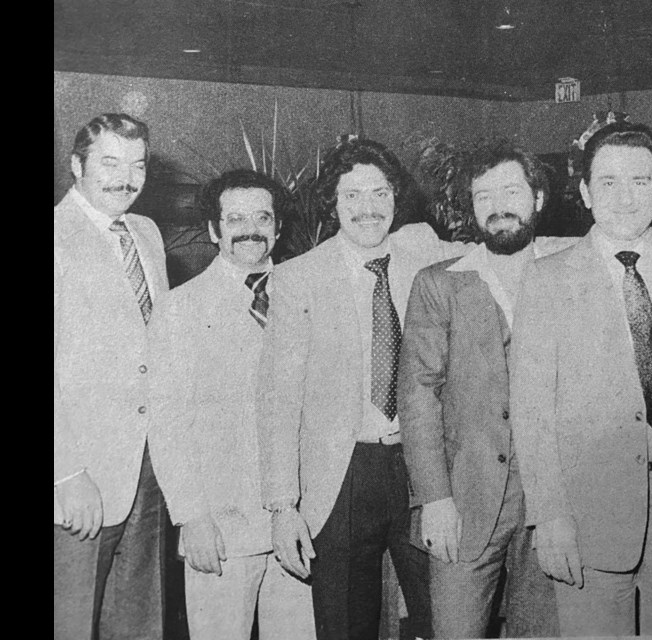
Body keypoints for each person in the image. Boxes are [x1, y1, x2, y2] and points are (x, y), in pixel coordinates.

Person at [257, 138, 474, 640]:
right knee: (345, 623)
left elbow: (504, 252)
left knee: (442, 614)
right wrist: (282, 507)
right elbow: (277, 400)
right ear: (332, 204)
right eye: (351, 196)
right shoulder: (297, 279)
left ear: (396, 198)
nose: (367, 208)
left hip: (425, 466)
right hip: (343, 473)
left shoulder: (425, 252)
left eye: (379, 193)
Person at [508, 121, 652, 636]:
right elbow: (533, 412)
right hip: (587, 513)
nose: (626, 198)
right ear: (584, 192)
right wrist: (549, 516)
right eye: (609, 183)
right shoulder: (546, 278)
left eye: (641, 182)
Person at [398, 142, 573, 638]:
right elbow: (417, 396)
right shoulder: (440, 283)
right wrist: (433, 498)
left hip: (552, 499)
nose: (498, 207)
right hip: (464, 497)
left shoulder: (570, 269)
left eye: (511, 191)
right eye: (483, 196)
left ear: (538, 198)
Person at [149, 169, 316, 640]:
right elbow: (168, 423)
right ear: (213, 229)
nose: (250, 229)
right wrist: (190, 517)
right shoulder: (180, 309)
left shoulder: (305, 294)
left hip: (297, 527)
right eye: (235, 217)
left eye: (262, 217)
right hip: (221, 530)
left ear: (278, 228)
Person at [54, 113, 169, 639]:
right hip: (81, 476)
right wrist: (65, 474)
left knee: (137, 620)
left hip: (148, 467)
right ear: (77, 165)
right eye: (109, 163)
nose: (126, 178)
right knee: (70, 620)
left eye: (137, 164)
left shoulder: (145, 232)